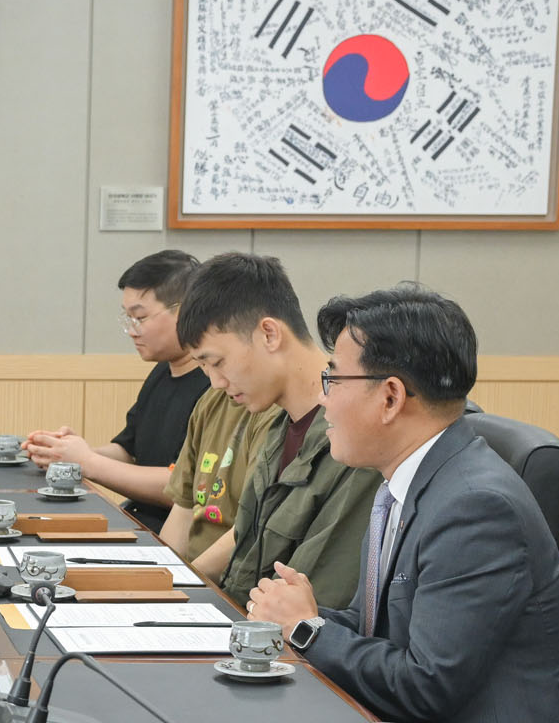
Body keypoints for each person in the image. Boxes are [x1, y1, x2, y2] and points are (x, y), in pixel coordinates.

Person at [246, 285, 559, 723]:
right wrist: (307, 616)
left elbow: (426, 684)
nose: (323, 400)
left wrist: (309, 630)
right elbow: (382, 626)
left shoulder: (475, 506)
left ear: (390, 397)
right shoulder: (412, 481)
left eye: (333, 379)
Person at [177, 252, 379, 609]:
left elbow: (313, 600)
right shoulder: (279, 430)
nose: (217, 382)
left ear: (269, 334)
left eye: (217, 362)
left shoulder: (355, 442)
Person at [24, 250, 208, 533]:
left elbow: (180, 487)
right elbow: (129, 451)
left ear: (183, 312)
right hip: (136, 520)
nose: (132, 331)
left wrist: (87, 462)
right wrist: (65, 453)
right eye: (127, 318)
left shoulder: (215, 387)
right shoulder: (162, 371)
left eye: (140, 317)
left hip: (173, 534)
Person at [159, 378, 279, 575]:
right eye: (203, 364)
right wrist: (161, 576)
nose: (215, 381)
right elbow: (182, 509)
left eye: (218, 363)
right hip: (192, 574)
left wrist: (185, 579)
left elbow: (247, 532)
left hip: (225, 580)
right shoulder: (211, 399)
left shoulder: (272, 414)